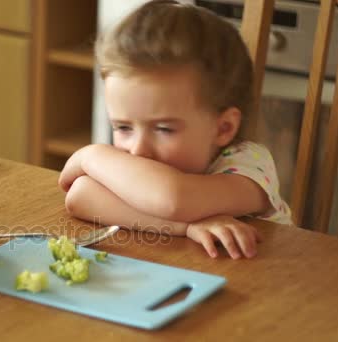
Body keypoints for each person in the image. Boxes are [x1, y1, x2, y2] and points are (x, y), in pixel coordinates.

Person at [58, 0, 292, 260]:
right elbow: (81, 196)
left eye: (163, 129)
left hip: (271, 283)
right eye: (123, 127)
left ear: (223, 128)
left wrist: (91, 155)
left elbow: (174, 199)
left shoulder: (251, 166)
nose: (138, 149)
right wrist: (187, 227)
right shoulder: (144, 159)